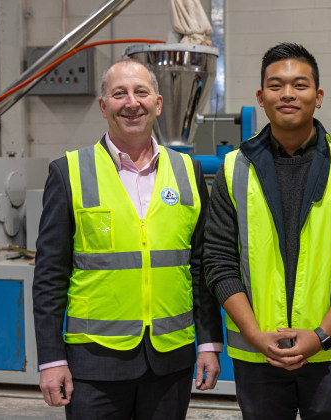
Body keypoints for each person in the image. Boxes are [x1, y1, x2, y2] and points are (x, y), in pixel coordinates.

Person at [203, 42, 331, 420]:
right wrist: (254, 335)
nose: (287, 94)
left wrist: (320, 335)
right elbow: (218, 260)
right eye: (276, 85)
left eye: (299, 85)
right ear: (260, 96)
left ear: (318, 97)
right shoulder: (234, 169)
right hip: (258, 353)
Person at [32, 58, 223, 419]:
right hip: (94, 363)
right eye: (119, 94)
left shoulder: (188, 171)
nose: (131, 102)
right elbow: (49, 277)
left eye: (141, 92)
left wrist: (210, 343)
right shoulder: (69, 171)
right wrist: (51, 359)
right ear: (104, 106)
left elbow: (201, 266)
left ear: (158, 103)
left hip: (171, 360)